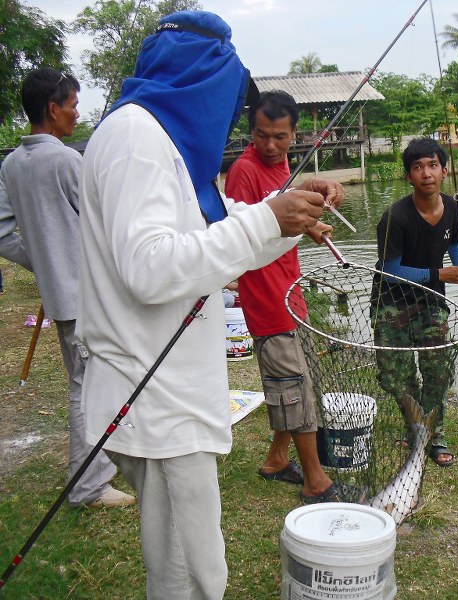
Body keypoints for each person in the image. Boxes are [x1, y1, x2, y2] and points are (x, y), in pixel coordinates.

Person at [77, 11, 334, 597]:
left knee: (190, 558)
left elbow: (217, 228)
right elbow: (150, 267)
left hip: (168, 392)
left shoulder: (160, 142)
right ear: (203, 80)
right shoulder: (137, 138)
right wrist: (268, 219)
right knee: (190, 571)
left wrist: (287, 214)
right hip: (153, 395)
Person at [0, 68, 133, 508]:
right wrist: (54, 259)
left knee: (89, 379)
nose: (77, 114)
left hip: (63, 294)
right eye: (73, 105)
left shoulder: (12, 164)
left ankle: (105, 466)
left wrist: (43, 261)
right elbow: (106, 225)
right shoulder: (66, 160)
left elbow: (4, 233)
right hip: (86, 295)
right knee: (86, 385)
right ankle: (88, 485)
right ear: (52, 109)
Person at [225, 90, 350, 503]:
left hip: (291, 294)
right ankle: (316, 481)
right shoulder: (244, 171)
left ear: (295, 133)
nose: (271, 145)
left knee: (296, 380)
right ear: (252, 133)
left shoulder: (284, 168)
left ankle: (277, 459)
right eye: (262, 136)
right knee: (295, 390)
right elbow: (242, 235)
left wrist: (311, 223)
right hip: (266, 299)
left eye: (280, 137)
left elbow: (281, 218)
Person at [372, 137, 458, 467]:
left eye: (432, 165)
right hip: (391, 304)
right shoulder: (395, 218)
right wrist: (441, 275)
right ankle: (415, 427)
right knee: (396, 378)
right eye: (417, 167)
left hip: (432, 303)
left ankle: (436, 433)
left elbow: (456, 241)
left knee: (438, 370)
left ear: (444, 171)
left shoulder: (454, 207)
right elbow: (391, 273)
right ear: (408, 176)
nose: (426, 173)